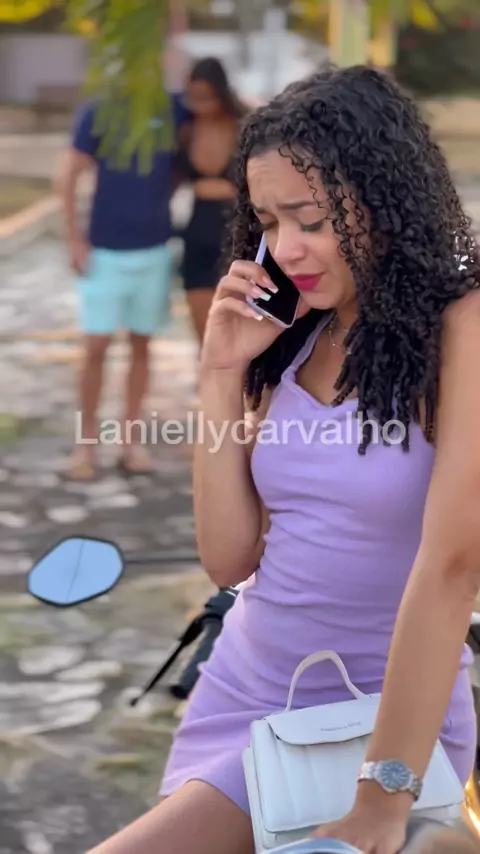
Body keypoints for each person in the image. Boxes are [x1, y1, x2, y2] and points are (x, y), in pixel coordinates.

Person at [86, 65, 480, 854]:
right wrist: (221, 372)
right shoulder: (297, 335)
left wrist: (383, 791)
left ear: (385, 198)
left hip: (374, 721)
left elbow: (452, 568)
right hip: (244, 689)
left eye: (311, 219)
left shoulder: (462, 332)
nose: (286, 249)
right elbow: (230, 558)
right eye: (267, 221)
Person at [58, 86, 190, 480]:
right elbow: (68, 173)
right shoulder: (99, 110)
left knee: (141, 345)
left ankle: (130, 441)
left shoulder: (174, 107)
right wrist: (73, 238)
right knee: (95, 347)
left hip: (154, 248)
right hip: (104, 251)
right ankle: (86, 443)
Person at [174, 56, 248, 344]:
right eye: (193, 97)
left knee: (237, 337)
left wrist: (223, 190)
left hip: (236, 239)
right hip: (197, 236)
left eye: (206, 98)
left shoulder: (244, 127)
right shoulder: (186, 130)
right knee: (203, 337)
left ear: (221, 93)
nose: (199, 106)